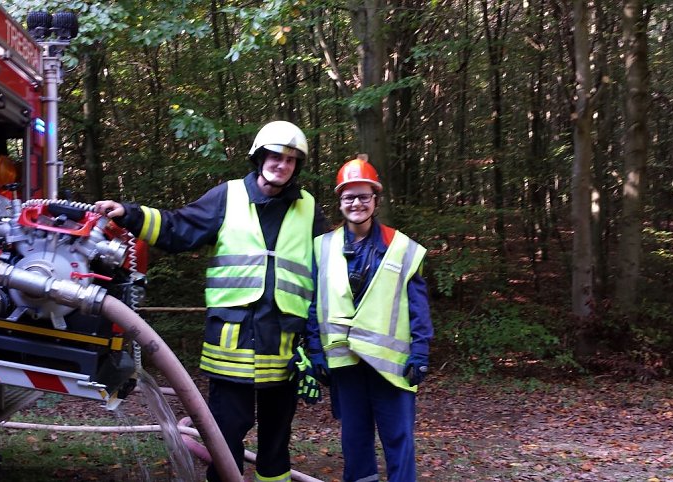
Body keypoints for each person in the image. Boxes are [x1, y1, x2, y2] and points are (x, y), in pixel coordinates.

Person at [95, 121, 329, 482]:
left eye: (291, 159)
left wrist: (315, 350)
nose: (282, 164)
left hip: (284, 352)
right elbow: (178, 228)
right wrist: (131, 215)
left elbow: (326, 274)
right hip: (230, 351)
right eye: (275, 156)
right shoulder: (228, 196)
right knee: (224, 439)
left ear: (297, 166)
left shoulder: (309, 209)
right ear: (259, 157)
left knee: (276, 445)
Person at [305, 157, 433, 482]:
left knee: (398, 441)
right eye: (349, 197)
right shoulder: (323, 247)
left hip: (391, 367)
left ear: (375, 200)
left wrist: (420, 352)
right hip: (345, 365)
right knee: (355, 442)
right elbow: (313, 304)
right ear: (340, 202)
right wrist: (315, 351)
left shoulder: (401, 247)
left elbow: (418, 307)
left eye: (364, 196)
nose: (357, 203)